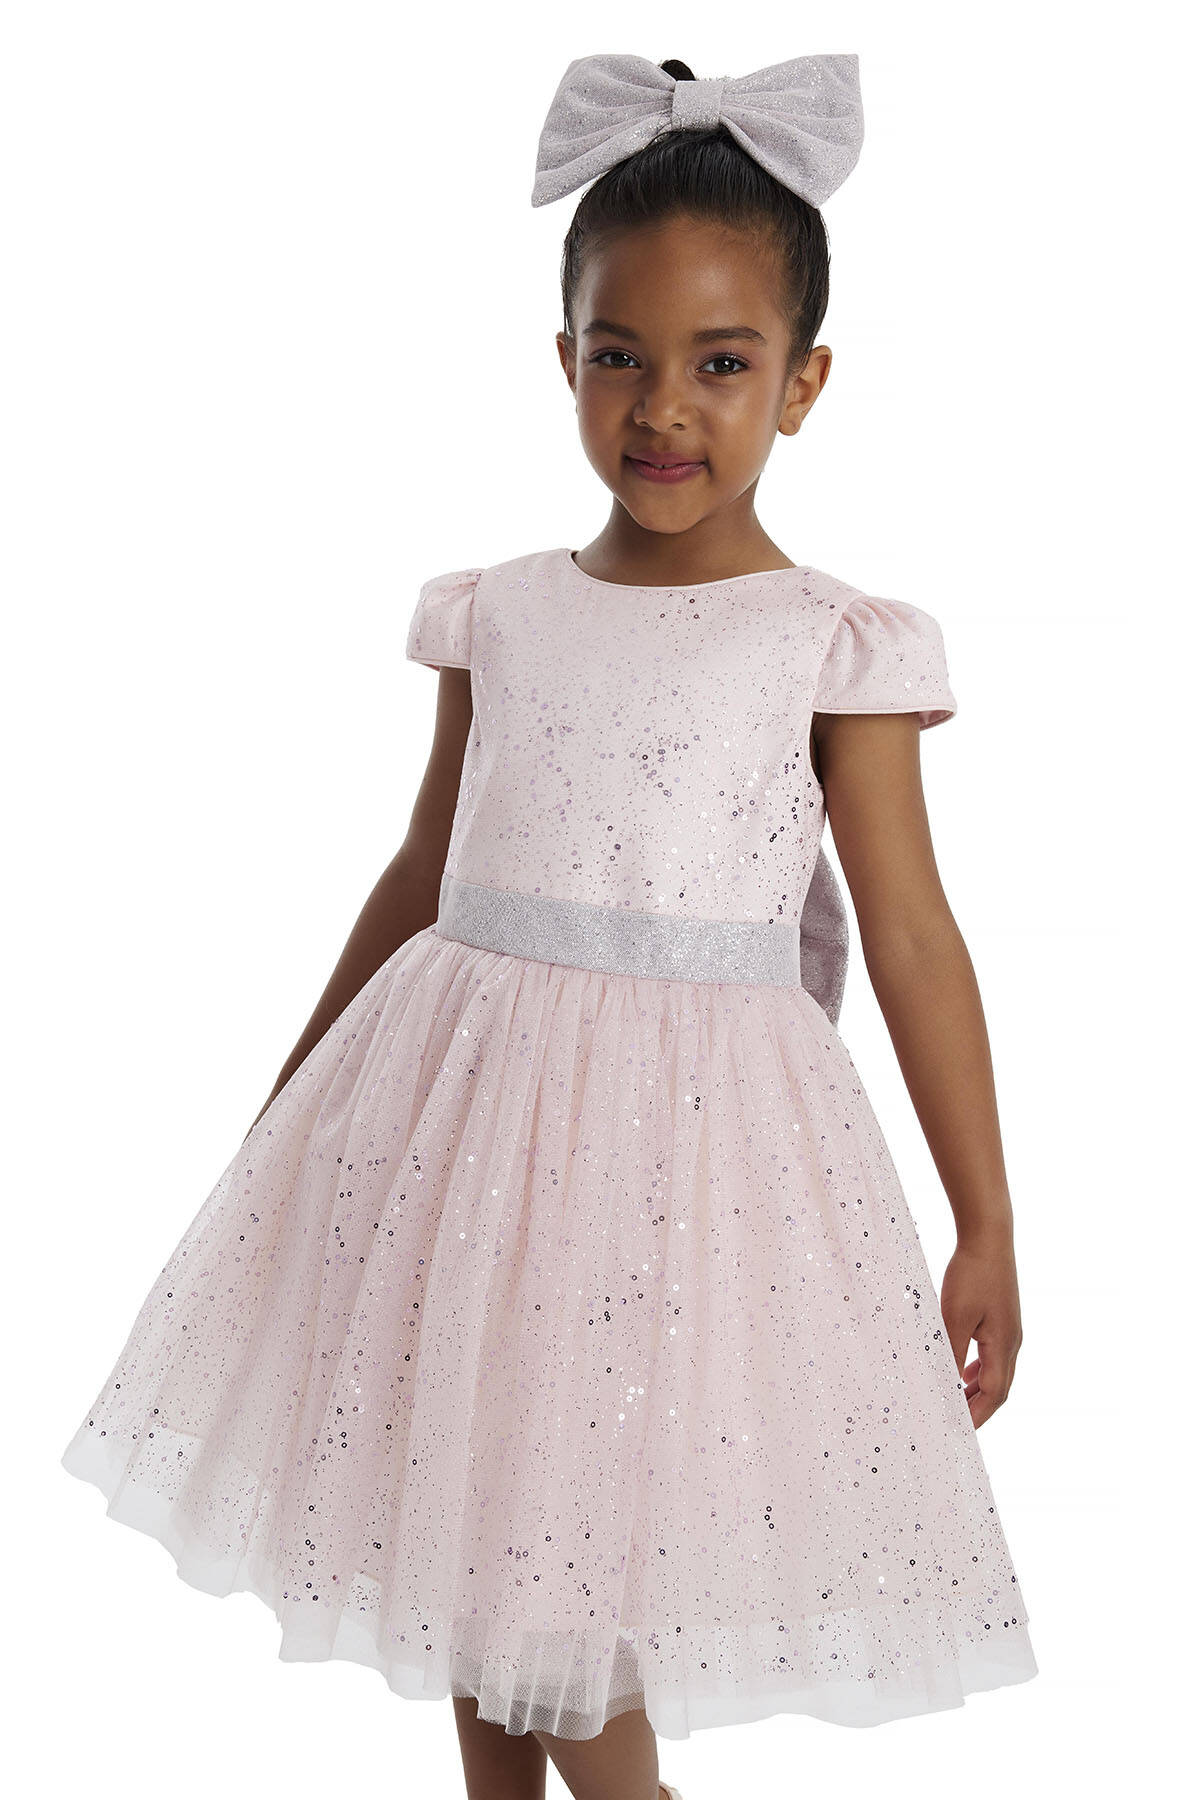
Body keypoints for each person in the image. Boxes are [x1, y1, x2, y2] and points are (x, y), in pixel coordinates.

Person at [60, 50, 1038, 1800]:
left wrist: (987, 1222)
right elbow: (422, 869)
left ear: (805, 382)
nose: (665, 408)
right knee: (476, 1578)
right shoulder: (500, 611)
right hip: (463, 1140)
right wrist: (292, 1105)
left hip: (683, 1173)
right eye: (618, 356)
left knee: (571, 1609)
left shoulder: (829, 641)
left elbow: (909, 935)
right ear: (563, 359)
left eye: (722, 363)